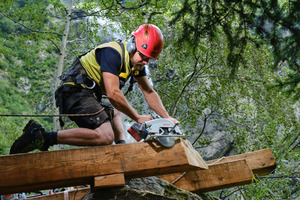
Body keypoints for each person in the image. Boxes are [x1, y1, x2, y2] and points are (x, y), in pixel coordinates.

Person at [10, 24, 179, 154]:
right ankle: (42, 137)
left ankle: (121, 149)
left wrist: (167, 118)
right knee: (106, 135)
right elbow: (113, 93)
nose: (145, 62)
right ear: (133, 45)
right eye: (143, 56)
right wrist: (137, 117)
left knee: (115, 110)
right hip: (74, 91)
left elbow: (149, 92)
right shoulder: (112, 53)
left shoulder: (135, 63)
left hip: (88, 94)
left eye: (149, 59)